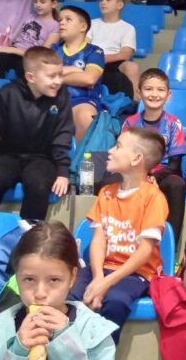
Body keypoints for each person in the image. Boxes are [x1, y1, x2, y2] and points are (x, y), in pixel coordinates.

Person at [0, 221, 117, 360]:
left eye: (54, 280)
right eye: (29, 279)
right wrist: (16, 354)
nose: (40, 294)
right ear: (16, 277)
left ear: (72, 277)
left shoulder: (95, 332)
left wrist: (66, 346)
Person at [67, 127, 168, 343]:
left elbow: (145, 251)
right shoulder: (106, 192)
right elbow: (98, 240)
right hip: (101, 268)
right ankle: (67, 352)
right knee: (69, 294)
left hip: (135, 273)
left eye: (118, 146)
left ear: (136, 159)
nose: (110, 151)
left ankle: (102, 355)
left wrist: (106, 283)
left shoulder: (154, 198)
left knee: (115, 301)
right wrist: (98, 278)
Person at [0, 47, 73, 221]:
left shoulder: (62, 96)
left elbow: (63, 135)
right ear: (31, 77)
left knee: (39, 185)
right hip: (8, 156)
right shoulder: (7, 94)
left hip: (43, 159)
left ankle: (29, 234)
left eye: (60, 75)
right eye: (51, 76)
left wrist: (62, 172)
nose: (57, 81)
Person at [121, 69, 186, 248]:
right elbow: (124, 157)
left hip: (163, 175)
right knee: (110, 181)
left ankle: (170, 246)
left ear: (168, 95)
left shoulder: (174, 124)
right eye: (149, 89)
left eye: (160, 90)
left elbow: (175, 164)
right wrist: (142, 177)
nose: (154, 94)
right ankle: (121, 241)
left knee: (177, 184)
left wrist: (154, 177)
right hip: (135, 173)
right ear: (139, 92)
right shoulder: (130, 123)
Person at [52, 6, 105, 140]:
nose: (62, 23)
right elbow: (40, 76)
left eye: (68, 19)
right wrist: (74, 70)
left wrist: (57, 76)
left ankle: (84, 155)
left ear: (83, 27)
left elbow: (89, 79)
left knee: (85, 115)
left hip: (81, 101)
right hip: (51, 99)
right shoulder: (52, 50)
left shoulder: (95, 52)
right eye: (60, 20)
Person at [0, 0, 60, 82]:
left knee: (24, 67)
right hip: (13, 50)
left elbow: (42, 54)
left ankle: (23, 90)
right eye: (35, 1)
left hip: (31, 57)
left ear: (54, 4)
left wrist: (11, 50)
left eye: (42, 2)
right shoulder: (29, 16)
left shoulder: (55, 26)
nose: (38, 5)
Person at [87, 0, 139, 98]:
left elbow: (125, 54)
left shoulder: (128, 28)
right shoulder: (92, 24)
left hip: (115, 61)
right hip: (93, 59)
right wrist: (95, 58)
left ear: (119, 5)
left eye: (108, 0)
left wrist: (103, 58)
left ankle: (136, 102)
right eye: (101, 0)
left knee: (132, 66)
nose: (103, 2)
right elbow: (85, 46)